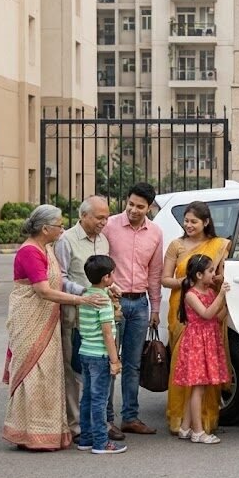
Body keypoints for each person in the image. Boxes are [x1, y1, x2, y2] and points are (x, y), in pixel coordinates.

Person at [2, 205, 108, 451]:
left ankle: (45, 432)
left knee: (48, 374)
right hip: (30, 318)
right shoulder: (30, 252)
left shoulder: (47, 248)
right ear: (44, 228)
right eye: (59, 225)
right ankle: (27, 434)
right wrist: (81, 300)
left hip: (48, 318)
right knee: (32, 373)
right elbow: (43, 291)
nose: (62, 229)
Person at [54, 196, 126, 444]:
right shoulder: (66, 240)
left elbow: (102, 276)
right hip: (76, 315)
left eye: (106, 217)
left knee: (100, 373)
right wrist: (85, 293)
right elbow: (60, 278)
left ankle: (101, 423)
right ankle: (77, 426)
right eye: (99, 217)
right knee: (75, 372)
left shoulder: (103, 240)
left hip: (101, 312)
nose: (104, 222)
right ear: (83, 215)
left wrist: (111, 287)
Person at [161, 201, 231, 435]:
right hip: (183, 310)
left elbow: (221, 276)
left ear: (206, 222)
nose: (188, 225)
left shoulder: (219, 245)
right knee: (184, 365)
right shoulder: (176, 245)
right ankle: (181, 421)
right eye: (186, 221)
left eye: (194, 221)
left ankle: (204, 421)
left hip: (209, 305)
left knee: (207, 365)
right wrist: (189, 281)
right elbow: (165, 279)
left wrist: (216, 281)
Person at [103, 182, 163, 435]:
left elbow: (155, 273)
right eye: (131, 204)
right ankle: (106, 420)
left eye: (140, 206)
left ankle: (130, 417)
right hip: (112, 303)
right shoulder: (109, 226)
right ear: (126, 201)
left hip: (140, 304)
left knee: (133, 364)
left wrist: (155, 308)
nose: (134, 210)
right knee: (110, 361)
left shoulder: (155, 233)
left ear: (149, 208)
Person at [172, 253, 231, 444]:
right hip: (197, 344)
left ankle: (185, 427)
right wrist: (221, 295)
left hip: (207, 342)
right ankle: (198, 431)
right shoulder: (191, 295)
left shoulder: (210, 293)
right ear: (199, 275)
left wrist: (227, 304)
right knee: (198, 387)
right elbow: (207, 314)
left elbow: (217, 317)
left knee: (199, 387)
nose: (214, 274)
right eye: (210, 271)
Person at [77, 255, 127, 455]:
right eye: (112, 274)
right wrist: (115, 360)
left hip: (85, 352)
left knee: (87, 398)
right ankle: (101, 442)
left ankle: (86, 438)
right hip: (100, 355)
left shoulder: (87, 296)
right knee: (100, 400)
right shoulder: (103, 302)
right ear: (106, 277)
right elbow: (107, 333)